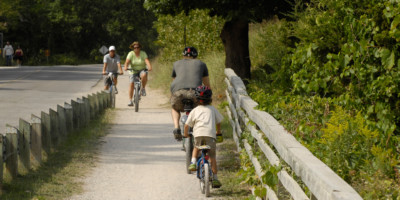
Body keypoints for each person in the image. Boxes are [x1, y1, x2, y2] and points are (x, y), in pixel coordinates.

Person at [183, 86, 223, 188]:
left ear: (196, 100)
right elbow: (219, 122)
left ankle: (192, 162)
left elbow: (187, 125)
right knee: (212, 157)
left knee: (196, 148)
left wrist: (186, 134)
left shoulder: (195, 110)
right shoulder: (213, 109)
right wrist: (218, 132)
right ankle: (215, 178)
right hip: (210, 136)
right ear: (210, 99)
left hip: (198, 135)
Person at [170, 46, 210, 140]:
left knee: (175, 107)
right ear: (195, 56)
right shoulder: (201, 64)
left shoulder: (176, 64)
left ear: (183, 55)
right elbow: (207, 84)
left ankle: (176, 127)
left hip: (178, 92)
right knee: (201, 109)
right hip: (195, 93)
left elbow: (174, 81)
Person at [124, 41, 152, 106]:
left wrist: (149, 67)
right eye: (135, 47)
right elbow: (127, 62)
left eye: (137, 47)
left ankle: (143, 88)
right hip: (133, 70)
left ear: (140, 48)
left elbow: (147, 61)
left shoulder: (143, 53)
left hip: (142, 69)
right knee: (131, 84)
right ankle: (130, 100)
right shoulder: (131, 54)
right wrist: (126, 67)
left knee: (144, 74)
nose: (136, 49)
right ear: (133, 48)